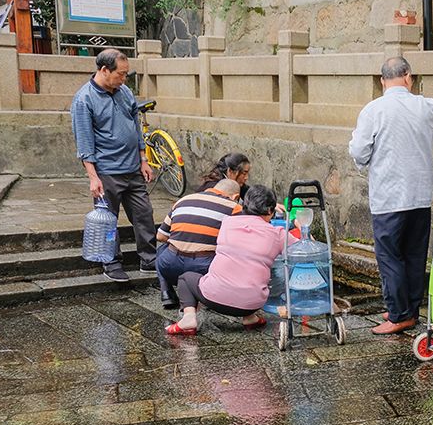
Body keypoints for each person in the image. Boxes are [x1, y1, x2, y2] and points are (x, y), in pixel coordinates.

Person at [348, 56, 433, 335]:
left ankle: (398, 314)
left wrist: (365, 164)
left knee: (390, 256)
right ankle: (410, 309)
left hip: (388, 197)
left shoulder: (373, 110)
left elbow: (358, 151)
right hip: (419, 195)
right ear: (408, 77)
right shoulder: (425, 106)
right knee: (415, 254)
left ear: (382, 81)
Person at [71, 48, 157, 282]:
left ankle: (149, 259)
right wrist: (92, 176)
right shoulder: (84, 99)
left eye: (126, 74)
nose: (124, 78)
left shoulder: (124, 91)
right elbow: (85, 141)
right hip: (107, 171)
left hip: (133, 168)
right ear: (104, 70)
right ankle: (111, 261)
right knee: (109, 219)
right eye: (121, 74)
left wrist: (143, 159)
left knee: (144, 215)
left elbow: (136, 126)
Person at [166, 186, 284, 335]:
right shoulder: (278, 234)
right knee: (250, 274)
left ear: (245, 205)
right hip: (253, 303)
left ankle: (189, 318)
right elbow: (303, 250)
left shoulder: (228, 223)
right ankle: (250, 318)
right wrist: (300, 225)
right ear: (269, 211)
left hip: (214, 298)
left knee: (185, 278)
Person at [154, 178, 242, 309]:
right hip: (204, 268)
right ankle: (207, 296)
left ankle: (167, 293)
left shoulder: (183, 200)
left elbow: (160, 235)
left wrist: (184, 241)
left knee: (162, 250)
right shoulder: (235, 207)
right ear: (236, 196)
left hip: (169, 265)